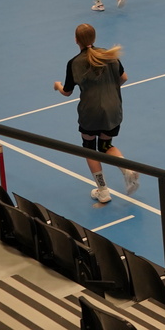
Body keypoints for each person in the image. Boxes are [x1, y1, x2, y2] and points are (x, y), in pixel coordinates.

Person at [52, 24, 140, 203]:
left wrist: (58, 86)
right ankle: (127, 170)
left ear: (76, 40)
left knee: (90, 148)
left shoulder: (74, 63)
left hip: (90, 113)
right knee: (106, 146)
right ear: (94, 38)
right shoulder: (108, 55)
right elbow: (123, 78)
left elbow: (67, 92)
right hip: (113, 110)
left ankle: (103, 191)